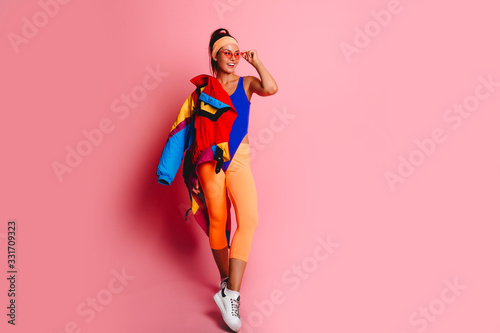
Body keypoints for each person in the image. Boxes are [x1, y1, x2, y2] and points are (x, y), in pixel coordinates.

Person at [196, 28, 278, 332]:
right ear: (215, 55)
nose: (233, 57)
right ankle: (226, 283)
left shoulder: (246, 84)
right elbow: (193, 130)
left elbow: (271, 88)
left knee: (250, 218)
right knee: (218, 219)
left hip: (239, 158)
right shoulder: (203, 90)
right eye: (226, 51)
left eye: (236, 52)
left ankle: (231, 294)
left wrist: (257, 63)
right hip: (210, 161)